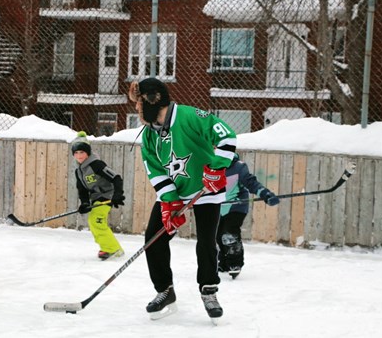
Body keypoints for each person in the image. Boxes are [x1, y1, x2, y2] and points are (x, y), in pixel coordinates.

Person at [129, 77, 237, 321]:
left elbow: (227, 136)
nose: (136, 109)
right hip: (176, 191)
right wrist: (169, 200)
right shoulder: (148, 135)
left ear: (152, 100)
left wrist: (217, 168)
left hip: (206, 189)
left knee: (206, 241)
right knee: (153, 239)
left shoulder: (190, 116)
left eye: (138, 103)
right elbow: (155, 170)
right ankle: (165, 291)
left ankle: (209, 291)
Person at [218, 153, 279, 279]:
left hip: (236, 205)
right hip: (217, 206)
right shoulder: (208, 165)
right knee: (217, 235)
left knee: (229, 233)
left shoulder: (238, 167)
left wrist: (265, 193)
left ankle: (235, 264)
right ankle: (223, 263)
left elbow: (251, 183)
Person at [72, 131, 126, 260]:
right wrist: (85, 203)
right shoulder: (79, 171)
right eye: (76, 153)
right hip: (97, 198)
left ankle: (114, 249)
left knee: (97, 220)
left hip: (107, 195)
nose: (79, 155)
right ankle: (107, 247)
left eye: (82, 152)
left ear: (88, 152)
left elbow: (116, 178)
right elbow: (82, 190)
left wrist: (118, 195)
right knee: (93, 221)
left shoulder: (96, 164)